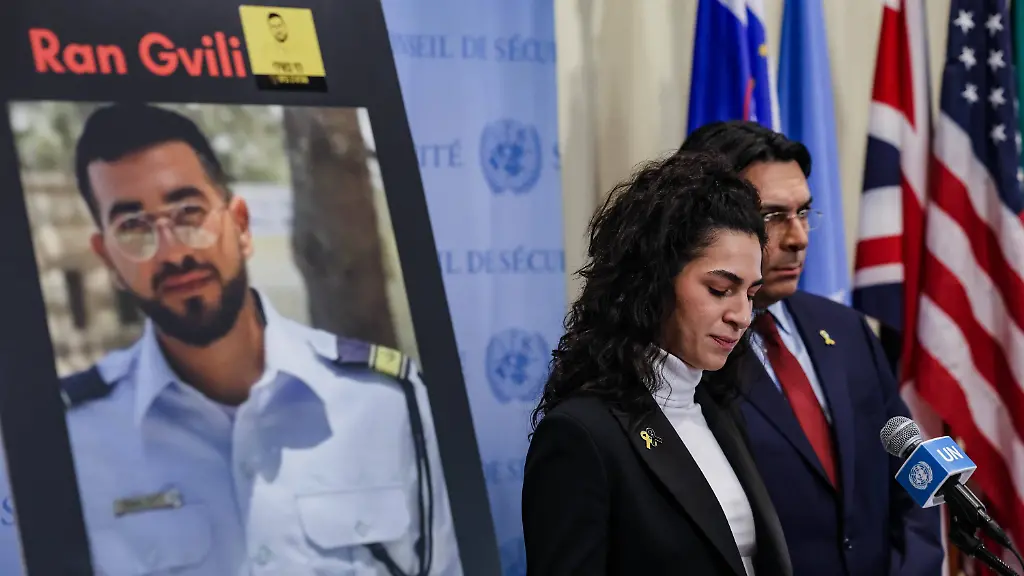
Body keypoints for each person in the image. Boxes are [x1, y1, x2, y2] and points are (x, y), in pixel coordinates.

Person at [3, 103, 462, 576]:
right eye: (133, 227)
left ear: (240, 225)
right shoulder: (63, 443)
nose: (173, 250)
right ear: (107, 258)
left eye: (189, 213)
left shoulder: (390, 402)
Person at [679, 121, 943, 576]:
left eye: (804, 212)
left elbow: (912, 471)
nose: (799, 237)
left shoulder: (847, 329)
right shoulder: (689, 357)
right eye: (772, 217)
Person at [522, 152, 793, 576]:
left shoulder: (718, 405)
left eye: (750, 293)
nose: (741, 314)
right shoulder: (582, 433)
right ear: (652, 282)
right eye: (721, 289)